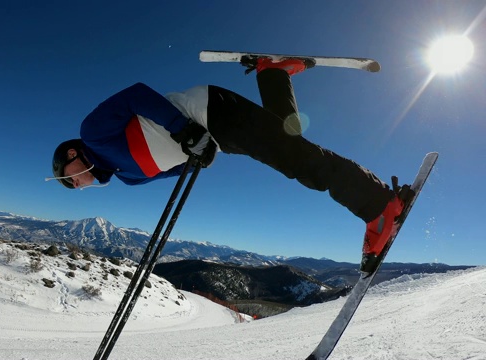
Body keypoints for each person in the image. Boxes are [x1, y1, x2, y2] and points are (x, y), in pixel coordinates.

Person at [50, 57, 413, 272]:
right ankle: (273, 72)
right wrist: (199, 159)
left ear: (71, 157)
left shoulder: (92, 134)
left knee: (297, 160)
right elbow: (180, 166)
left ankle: (379, 205)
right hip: (219, 138)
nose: (76, 186)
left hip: (209, 111)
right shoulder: (127, 177)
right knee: (290, 147)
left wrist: (185, 130)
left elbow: (136, 95)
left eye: (68, 180)